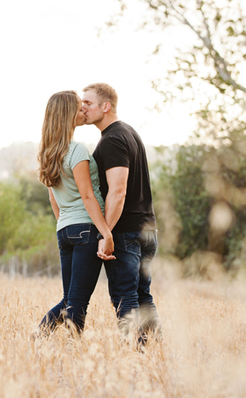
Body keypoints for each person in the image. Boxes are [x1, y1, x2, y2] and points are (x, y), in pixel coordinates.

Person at [81, 83, 160, 344]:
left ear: (106, 106)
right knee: (142, 296)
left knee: (125, 297)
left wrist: (106, 232)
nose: (83, 107)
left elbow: (118, 191)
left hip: (126, 232)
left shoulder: (113, 138)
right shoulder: (129, 132)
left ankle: (136, 355)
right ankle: (154, 353)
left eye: (88, 103)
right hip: (147, 229)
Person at [37, 91, 115, 334]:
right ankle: (73, 352)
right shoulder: (77, 150)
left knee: (69, 300)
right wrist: (106, 232)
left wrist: (66, 225)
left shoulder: (47, 152)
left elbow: (53, 198)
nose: (83, 110)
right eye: (78, 107)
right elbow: (88, 196)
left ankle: (37, 339)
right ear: (67, 114)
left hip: (65, 230)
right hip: (86, 229)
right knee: (78, 302)